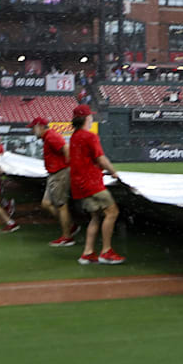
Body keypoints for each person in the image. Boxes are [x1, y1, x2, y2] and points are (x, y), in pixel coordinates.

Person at [69, 105, 125, 265]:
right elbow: (101, 158)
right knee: (112, 212)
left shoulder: (74, 136)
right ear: (87, 118)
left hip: (79, 184)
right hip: (91, 183)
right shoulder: (89, 136)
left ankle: (87, 253)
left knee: (95, 216)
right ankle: (106, 252)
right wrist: (113, 172)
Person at [32, 117, 76, 246]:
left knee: (61, 205)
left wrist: (67, 166)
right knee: (46, 203)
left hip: (59, 173)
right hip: (54, 174)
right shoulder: (48, 137)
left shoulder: (51, 136)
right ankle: (70, 226)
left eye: (33, 128)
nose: (32, 131)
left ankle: (67, 237)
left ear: (40, 126)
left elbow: (66, 149)